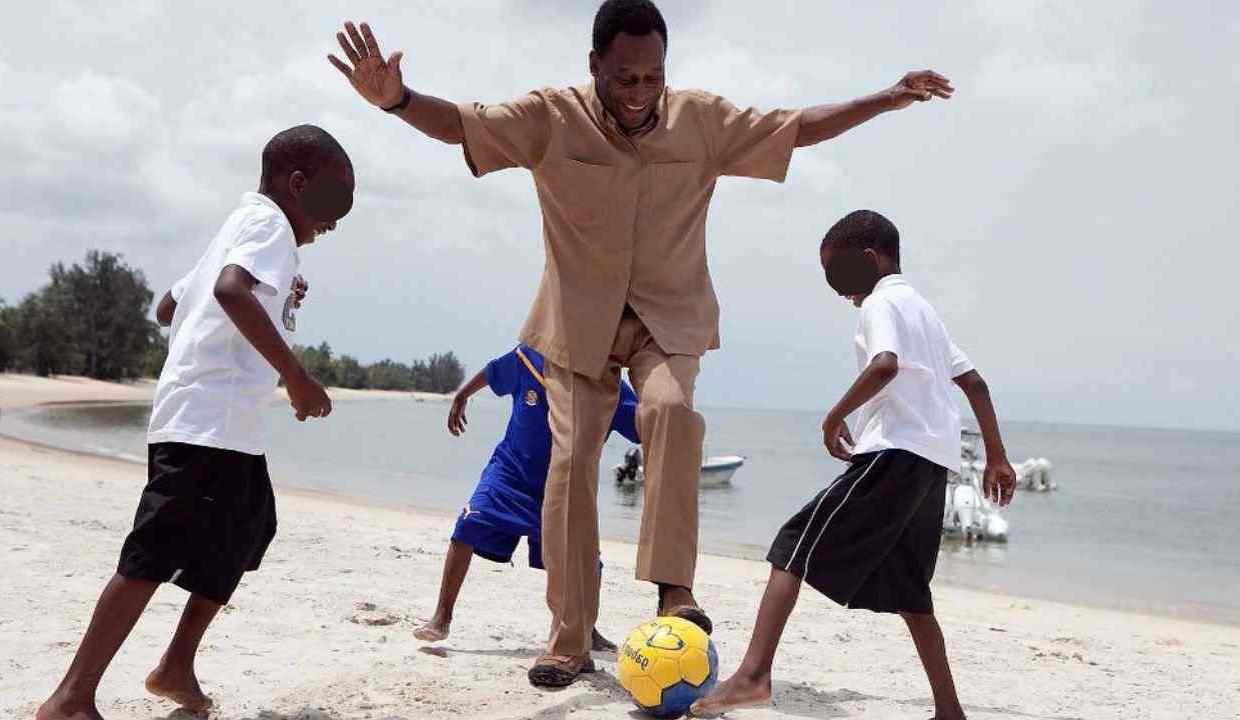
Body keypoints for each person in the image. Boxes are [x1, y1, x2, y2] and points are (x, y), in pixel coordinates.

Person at [328, 0, 955, 686]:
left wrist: (887, 99)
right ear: (595, 65)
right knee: (569, 466)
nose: (638, 92)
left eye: (651, 76)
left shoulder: (702, 121)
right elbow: (461, 125)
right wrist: (397, 102)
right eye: (624, 77)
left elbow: (797, 128)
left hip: (668, 318)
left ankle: (672, 587)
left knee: (671, 413)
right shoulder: (550, 117)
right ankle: (568, 639)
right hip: (575, 325)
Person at [37, 125, 353, 720]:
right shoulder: (269, 227)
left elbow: (168, 307)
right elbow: (231, 291)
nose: (335, 222)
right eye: (335, 203)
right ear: (298, 185)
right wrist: (296, 377)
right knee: (153, 555)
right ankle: (70, 698)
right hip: (206, 422)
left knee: (248, 530)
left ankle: (176, 665)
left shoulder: (244, 227)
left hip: (224, 429)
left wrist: (276, 287)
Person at [690, 210, 1018, 719]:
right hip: (933, 467)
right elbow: (974, 382)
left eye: (837, 275)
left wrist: (832, 418)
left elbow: (884, 363)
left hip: (894, 454)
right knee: (911, 592)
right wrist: (995, 456)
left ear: (870, 260)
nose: (837, 290)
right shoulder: (924, 310)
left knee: (791, 545)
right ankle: (949, 711)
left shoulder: (882, 303)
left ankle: (753, 677)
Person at [414, 344, 640, 652]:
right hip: (509, 471)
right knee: (467, 527)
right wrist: (462, 394)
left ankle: (586, 628)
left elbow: (643, 427)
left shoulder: (606, 381)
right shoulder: (528, 357)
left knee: (585, 562)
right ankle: (441, 617)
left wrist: (662, 400)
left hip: (563, 485)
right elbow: (493, 372)